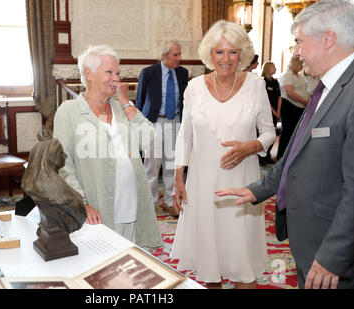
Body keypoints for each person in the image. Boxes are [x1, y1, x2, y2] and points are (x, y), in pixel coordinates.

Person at [215, 0, 354, 289]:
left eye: (300, 42)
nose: (297, 52)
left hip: (333, 255)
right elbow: (295, 156)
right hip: (311, 243)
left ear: (328, 39)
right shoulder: (326, 88)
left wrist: (332, 255)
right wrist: (256, 189)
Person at [171, 20, 276, 289]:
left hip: (242, 184)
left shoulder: (256, 85)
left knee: (242, 264)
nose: (226, 59)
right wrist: (179, 178)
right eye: (219, 52)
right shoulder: (194, 87)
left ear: (242, 53)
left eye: (232, 52)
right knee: (209, 265)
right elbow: (186, 134)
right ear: (210, 54)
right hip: (202, 183)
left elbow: (268, 133)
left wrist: (249, 147)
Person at [53, 45, 162, 249]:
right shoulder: (69, 112)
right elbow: (63, 164)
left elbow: (147, 139)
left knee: (131, 267)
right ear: (88, 73)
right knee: (102, 269)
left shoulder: (121, 109)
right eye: (109, 72)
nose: (116, 78)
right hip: (98, 209)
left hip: (133, 205)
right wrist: (82, 204)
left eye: (118, 73)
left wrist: (126, 103)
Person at [135, 41, 189, 216]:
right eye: (176, 55)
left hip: (175, 123)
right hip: (154, 123)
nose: (179, 58)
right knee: (151, 165)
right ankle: (150, 204)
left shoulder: (183, 73)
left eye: (180, 54)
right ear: (165, 56)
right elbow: (140, 100)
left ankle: (170, 201)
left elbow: (185, 99)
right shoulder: (149, 73)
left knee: (172, 165)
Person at [276, 56, 310, 159]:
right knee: (287, 131)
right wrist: (304, 101)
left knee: (297, 132)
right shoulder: (287, 75)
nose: (302, 66)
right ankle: (281, 156)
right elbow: (289, 93)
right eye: (301, 63)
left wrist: (308, 101)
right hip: (289, 106)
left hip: (300, 106)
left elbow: (306, 90)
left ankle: (291, 156)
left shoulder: (300, 76)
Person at [260, 61, 282, 163]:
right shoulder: (262, 81)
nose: (276, 69)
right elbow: (263, 99)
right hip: (264, 112)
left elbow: (279, 97)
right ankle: (261, 156)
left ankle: (268, 155)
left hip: (274, 113)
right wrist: (273, 110)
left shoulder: (275, 81)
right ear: (268, 68)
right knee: (264, 134)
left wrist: (278, 111)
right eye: (274, 67)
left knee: (272, 134)